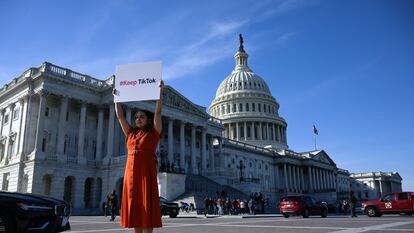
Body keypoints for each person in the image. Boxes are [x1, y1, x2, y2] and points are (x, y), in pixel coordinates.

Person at [114, 81, 164, 233]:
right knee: (135, 209)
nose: (138, 119)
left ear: (148, 120)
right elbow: (120, 116)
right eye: (136, 117)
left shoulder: (153, 133)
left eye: (142, 117)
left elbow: (158, 113)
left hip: (145, 175)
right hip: (130, 175)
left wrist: (159, 93)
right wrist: (116, 98)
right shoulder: (131, 133)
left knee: (146, 208)